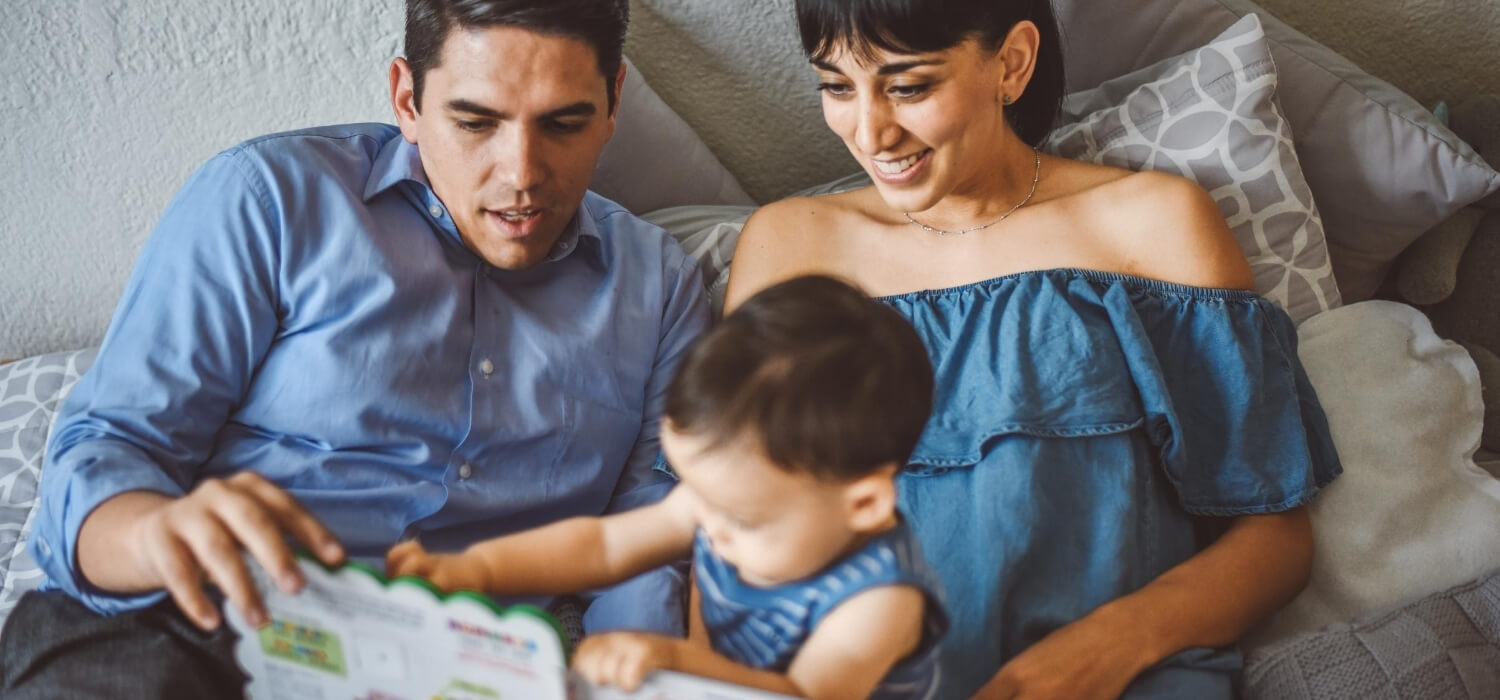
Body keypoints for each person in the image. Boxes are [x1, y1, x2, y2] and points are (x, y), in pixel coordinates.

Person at [0, 0, 710, 696]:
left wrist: (630, 682)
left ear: (613, 101)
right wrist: (157, 532)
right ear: (407, 97)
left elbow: (647, 542)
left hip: (462, 666)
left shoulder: (659, 289)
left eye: (563, 123)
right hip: (193, 623)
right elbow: (109, 448)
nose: (521, 173)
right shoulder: (270, 201)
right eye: (474, 121)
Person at [725, 1, 1343, 698]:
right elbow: (716, 520)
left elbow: (1273, 540)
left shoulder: (1153, 225)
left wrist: (1110, 646)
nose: (870, 132)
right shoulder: (788, 245)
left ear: (1013, 62)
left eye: (908, 86)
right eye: (837, 87)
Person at [388, 275, 948, 700]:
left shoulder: (880, 601)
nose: (708, 524)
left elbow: (799, 696)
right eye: (699, 496)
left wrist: (671, 657)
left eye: (741, 518)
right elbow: (604, 547)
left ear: (866, 503)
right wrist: (479, 570)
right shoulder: (723, 501)